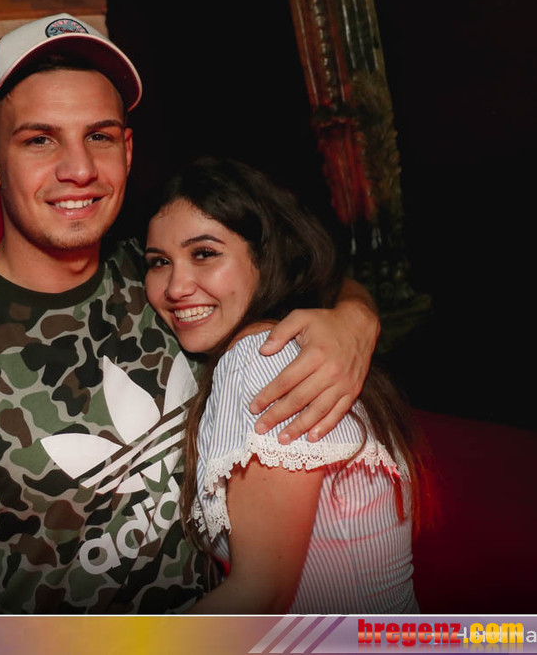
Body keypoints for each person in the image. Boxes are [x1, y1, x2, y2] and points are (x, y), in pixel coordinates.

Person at [0, 14, 380, 614]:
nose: (79, 168)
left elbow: (297, 272)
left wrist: (352, 318)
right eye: (39, 140)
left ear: (127, 151)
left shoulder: (162, 277)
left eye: (99, 136)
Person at [144, 157, 422, 614]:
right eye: (159, 262)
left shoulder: (259, 356)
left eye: (204, 254)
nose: (175, 287)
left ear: (265, 258)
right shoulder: (298, 341)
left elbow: (260, 597)